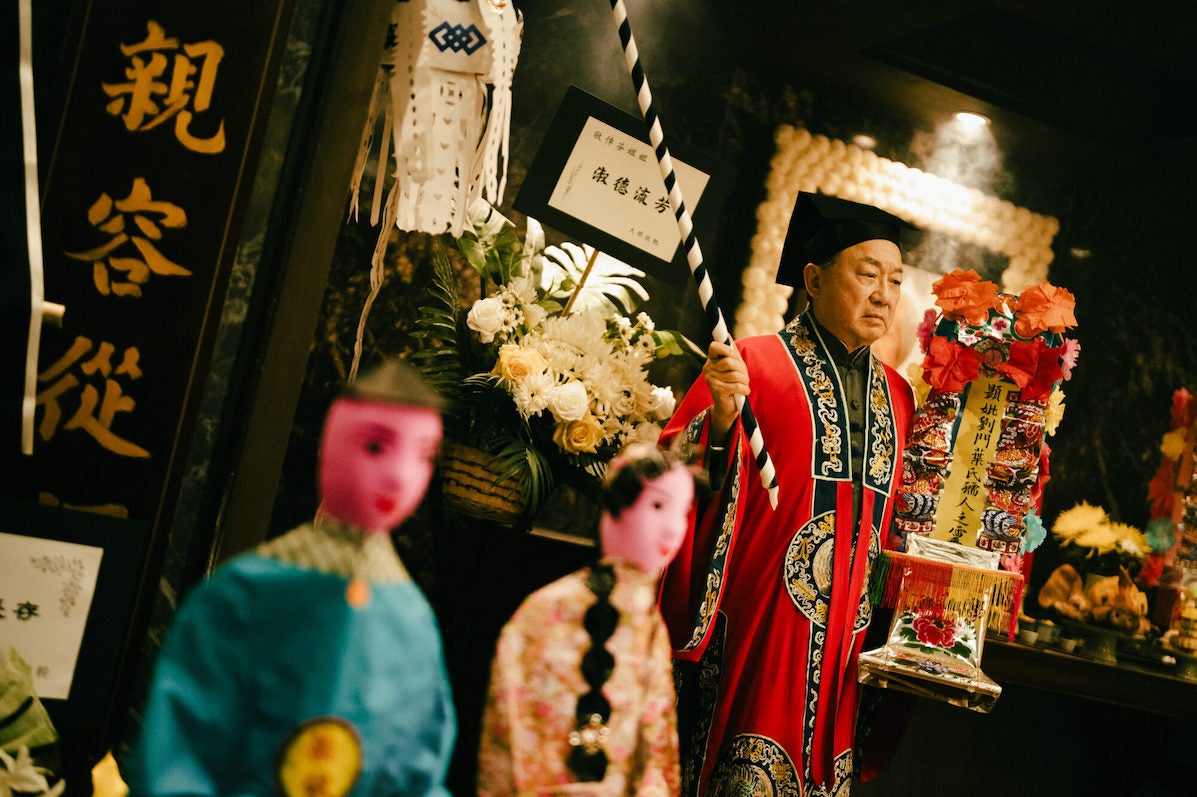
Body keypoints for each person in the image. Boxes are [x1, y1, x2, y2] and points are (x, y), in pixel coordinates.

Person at [657, 192, 918, 796]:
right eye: (868, 274)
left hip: (848, 650)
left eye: (897, 280)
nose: (884, 294)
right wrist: (719, 428)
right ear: (814, 277)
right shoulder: (751, 365)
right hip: (759, 627)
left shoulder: (901, 400)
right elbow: (669, 471)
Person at [125, 358, 456, 797]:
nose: (399, 478)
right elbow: (179, 753)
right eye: (375, 447)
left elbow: (419, 771)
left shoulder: (412, 618)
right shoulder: (243, 593)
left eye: (422, 456)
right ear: (329, 446)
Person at [477, 442, 701, 796]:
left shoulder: (649, 623)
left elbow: (656, 741)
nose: (672, 530)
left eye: (682, 513)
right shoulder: (546, 611)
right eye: (657, 506)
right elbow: (512, 723)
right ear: (614, 507)